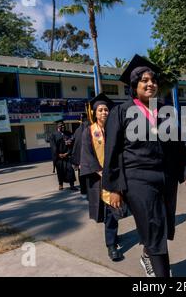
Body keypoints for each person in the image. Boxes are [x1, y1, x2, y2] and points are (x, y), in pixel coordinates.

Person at [102, 54, 186, 277]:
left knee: (161, 225)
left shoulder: (165, 111)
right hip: (137, 178)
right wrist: (114, 187)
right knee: (154, 226)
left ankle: (147, 255)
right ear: (134, 86)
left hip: (164, 177)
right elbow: (112, 152)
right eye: (144, 80)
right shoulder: (121, 112)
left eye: (153, 80)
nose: (150, 84)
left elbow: (176, 146)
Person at [80, 93, 123, 262]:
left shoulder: (116, 130)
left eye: (106, 109)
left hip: (117, 176)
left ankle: (114, 236)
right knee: (109, 212)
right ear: (94, 113)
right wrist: (102, 173)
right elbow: (88, 156)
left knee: (118, 209)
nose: (104, 112)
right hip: (100, 180)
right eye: (100, 110)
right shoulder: (88, 132)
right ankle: (111, 245)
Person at [50, 120, 77, 191]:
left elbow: (72, 143)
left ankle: (72, 185)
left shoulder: (68, 133)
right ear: (57, 126)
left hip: (67, 156)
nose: (62, 127)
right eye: (60, 125)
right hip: (58, 157)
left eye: (63, 125)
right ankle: (60, 184)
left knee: (70, 170)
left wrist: (67, 153)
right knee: (60, 171)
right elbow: (53, 146)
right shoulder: (53, 135)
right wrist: (58, 154)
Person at [71, 113, 89, 196]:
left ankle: (83, 191)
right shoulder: (90, 127)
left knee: (81, 174)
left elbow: (74, 143)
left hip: (80, 158)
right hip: (89, 157)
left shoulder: (77, 130)